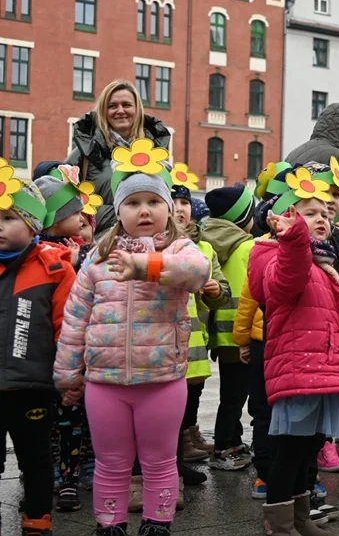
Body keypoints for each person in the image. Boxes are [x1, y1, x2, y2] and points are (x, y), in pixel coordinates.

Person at [54, 141, 210, 536]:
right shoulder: (97, 256)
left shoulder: (179, 248)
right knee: (111, 462)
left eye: (153, 201)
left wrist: (145, 264)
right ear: (118, 211)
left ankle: (158, 524)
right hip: (105, 382)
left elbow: (197, 272)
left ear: (167, 209)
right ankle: (110, 524)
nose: (144, 210)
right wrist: (69, 375)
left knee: (159, 462)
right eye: (133, 202)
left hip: (161, 380)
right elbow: (76, 317)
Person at [248, 163, 339, 536]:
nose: (322, 219)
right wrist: (293, 239)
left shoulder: (325, 264)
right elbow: (283, 284)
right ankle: (279, 525)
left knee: (307, 453)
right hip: (298, 374)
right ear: (283, 218)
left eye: (325, 213)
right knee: (288, 454)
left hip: (327, 374)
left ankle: (299, 519)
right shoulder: (268, 253)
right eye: (309, 212)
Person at [0, 168, 75, 536]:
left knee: (36, 458)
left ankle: (37, 518)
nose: (0, 226)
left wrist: (69, 374)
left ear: (31, 224)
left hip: (33, 385)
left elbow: (67, 325)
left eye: (9, 218)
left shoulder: (54, 268)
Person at [33, 165, 98, 513]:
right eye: (76, 211)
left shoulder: (79, 248)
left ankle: (78, 468)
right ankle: (66, 476)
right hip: (56, 347)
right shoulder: (51, 252)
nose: (84, 216)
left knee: (77, 412)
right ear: (59, 218)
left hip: (76, 345)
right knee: (64, 415)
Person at [171, 166, 230, 490]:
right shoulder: (158, 246)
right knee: (168, 415)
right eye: (174, 201)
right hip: (165, 348)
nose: (180, 208)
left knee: (188, 407)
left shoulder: (204, 249)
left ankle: (179, 463)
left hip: (195, 349)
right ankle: (171, 469)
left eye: (185, 202)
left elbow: (221, 292)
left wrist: (215, 292)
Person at [66, 80, 172, 235]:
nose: (120, 110)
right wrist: (118, 217)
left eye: (126, 105)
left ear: (137, 109)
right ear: (103, 111)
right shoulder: (86, 151)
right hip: (103, 244)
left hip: (151, 243)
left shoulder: (155, 149)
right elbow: (64, 202)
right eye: (112, 106)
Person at [202, 184, 258, 471]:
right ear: (244, 217)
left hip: (221, 333)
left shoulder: (213, 242)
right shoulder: (248, 246)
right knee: (238, 395)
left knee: (230, 393)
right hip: (244, 333)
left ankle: (231, 440)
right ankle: (224, 446)